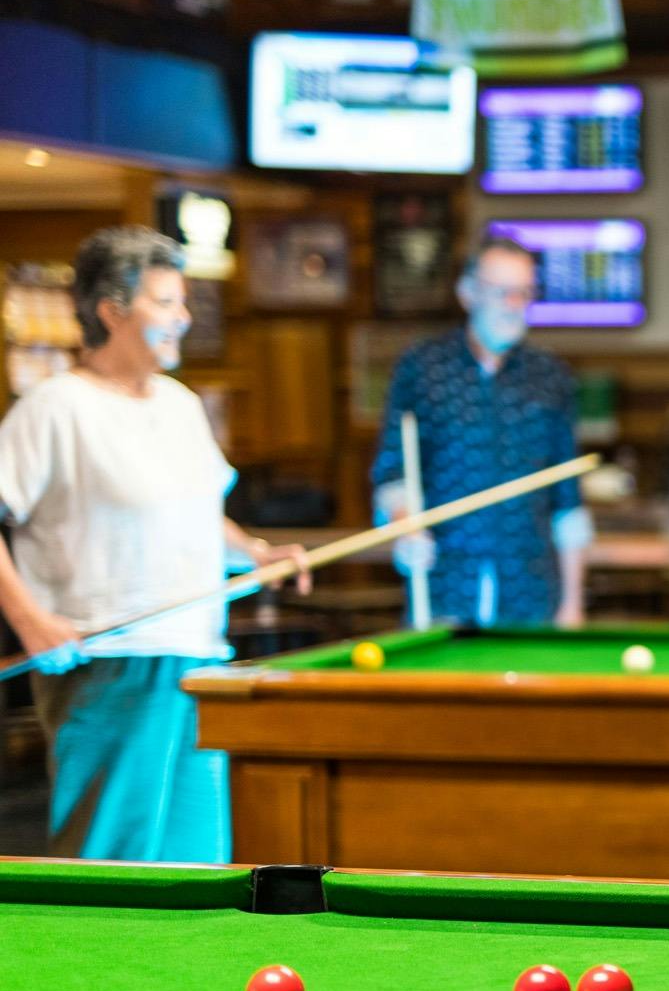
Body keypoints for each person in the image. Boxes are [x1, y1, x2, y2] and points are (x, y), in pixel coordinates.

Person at [0, 226, 308, 861]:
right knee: (111, 864)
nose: (183, 318)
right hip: (108, 663)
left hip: (199, 659)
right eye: (166, 303)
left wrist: (254, 551)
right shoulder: (53, 409)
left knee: (198, 865)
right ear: (113, 311)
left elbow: (198, 514)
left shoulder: (180, 404)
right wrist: (29, 620)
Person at [373, 235, 590, 628]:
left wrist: (573, 605)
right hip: (444, 586)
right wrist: (406, 527)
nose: (513, 305)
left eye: (524, 293)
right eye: (501, 292)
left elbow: (568, 501)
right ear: (468, 293)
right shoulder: (422, 368)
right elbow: (392, 471)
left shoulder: (550, 376)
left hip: (532, 592)